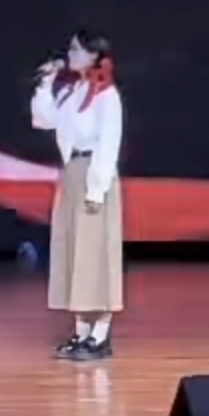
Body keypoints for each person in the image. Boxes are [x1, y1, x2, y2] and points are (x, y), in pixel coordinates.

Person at [30, 29, 124, 361]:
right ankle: (81, 331)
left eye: (76, 49)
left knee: (96, 253)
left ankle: (100, 334)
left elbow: (108, 143)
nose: (69, 54)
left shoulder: (106, 95)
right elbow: (45, 120)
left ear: (93, 54)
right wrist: (45, 84)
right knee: (74, 251)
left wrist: (96, 189)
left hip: (94, 173)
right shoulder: (73, 91)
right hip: (72, 173)